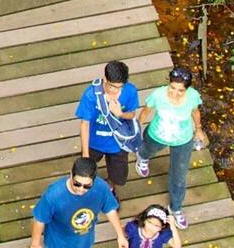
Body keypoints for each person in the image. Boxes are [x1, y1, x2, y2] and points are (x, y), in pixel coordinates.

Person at [134, 66, 206, 229]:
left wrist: (199, 129)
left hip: (183, 139)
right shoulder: (158, 95)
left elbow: (195, 112)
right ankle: (143, 158)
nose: (175, 93)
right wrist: (138, 127)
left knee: (179, 176)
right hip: (157, 134)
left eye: (180, 90)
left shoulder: (193, 97)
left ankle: (176, 208)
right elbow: (146, 111)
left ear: (186, 89)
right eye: (172, 88)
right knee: (148, 150)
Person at [31, 157, 129, 248]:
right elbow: (40, 219)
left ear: (94, 181)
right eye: (77, 184)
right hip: (58, 243)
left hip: (85, 240)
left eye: (87, 186)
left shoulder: (101, 187)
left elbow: (110, 209)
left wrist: (120, 235)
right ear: (71, 174)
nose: (81, 189)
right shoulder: (53, 195)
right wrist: (35, 243)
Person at [76, 60, 141, 194]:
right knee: (85, 168)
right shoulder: (91, 95)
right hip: (94, 142)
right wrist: (85, 154)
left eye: (120, 87)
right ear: (105, 79)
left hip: (118, 142)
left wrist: (120, 113)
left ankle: (110, 188)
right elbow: (85, 123)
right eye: (112, 86)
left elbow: (133, 114)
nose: (116, 90)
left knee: (118, 175)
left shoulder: (130, 91)